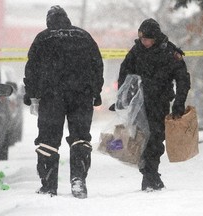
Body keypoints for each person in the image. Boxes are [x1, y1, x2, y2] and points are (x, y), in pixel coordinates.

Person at [23, 5, 104, 198]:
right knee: (80, 137)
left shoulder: (43, 38)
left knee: (48, 140)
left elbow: (31, 69)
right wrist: (95, 91)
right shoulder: (84, 36)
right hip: (81, 96)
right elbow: (97, 65)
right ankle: (78, 180)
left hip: (52, 96)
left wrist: (31, 94)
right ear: (67, 20)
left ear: (49, 22)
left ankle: (49, 184)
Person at [110, 18, 190, 191]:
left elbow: (183, 79)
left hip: (160, 103)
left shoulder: (169, 52)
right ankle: (150, 175)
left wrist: (179, 103)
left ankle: (150, 174)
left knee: (155, 139)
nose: (143, 42)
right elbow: (125, 73)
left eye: (146, 39)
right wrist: (121, 98)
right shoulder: (136, 50)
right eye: (141, 39)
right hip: (138, 103)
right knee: (140, 138)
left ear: (155, 38)